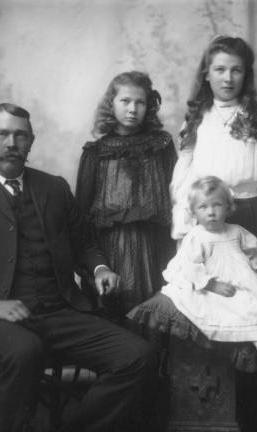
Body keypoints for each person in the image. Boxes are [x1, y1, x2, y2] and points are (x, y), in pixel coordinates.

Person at [0, 103, 157, 432]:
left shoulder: (54, 188)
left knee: (138, 356)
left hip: (60, 311)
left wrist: (100, 267)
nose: (11, 143)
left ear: (31, 141)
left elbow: (84, 243)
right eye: (1, 134)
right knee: (24, 351)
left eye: (20, 134)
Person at [146, 176, 257, 374]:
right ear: (194, 212)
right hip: (214, 282)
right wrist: (211, 285)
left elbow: (252, 252)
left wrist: (255, 269)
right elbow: (190, 266)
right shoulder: (196, 237)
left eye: (217, 205)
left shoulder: (237, 232)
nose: (211, 212)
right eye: (203, 207)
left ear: (228, 207)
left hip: (240, 278)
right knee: (243, 304)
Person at [170, 35, 257, 271]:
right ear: (206, 74)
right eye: (220, 69)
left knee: (253, 297)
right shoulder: (196, 121)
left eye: (236, 70)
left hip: (252, 220)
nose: (227, 78)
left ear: (246, 75)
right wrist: (185, 236)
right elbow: (183, 186)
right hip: (207, 220)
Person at [76, 71, 176, 320]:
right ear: (112, 104)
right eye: (125, 101)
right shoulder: (96, 153)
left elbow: (178, 194)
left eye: (140, 102)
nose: (133, 109)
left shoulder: (162, 145)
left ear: (149, 106)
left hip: (157, 246)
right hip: (113, 248)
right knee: (117, 311)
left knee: (156, 311)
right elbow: (82, 212)